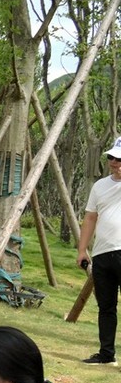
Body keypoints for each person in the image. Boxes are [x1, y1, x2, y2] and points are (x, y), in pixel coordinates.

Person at [76, 136, 121, 365]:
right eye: (112, 158)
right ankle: (106, 354)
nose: (115, 163)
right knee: (106, 306)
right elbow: (90, 218)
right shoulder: (100, 186)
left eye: (119, 159)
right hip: (102, 253)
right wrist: (82, 249)